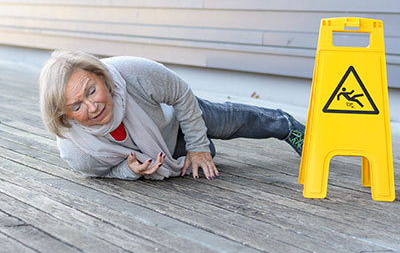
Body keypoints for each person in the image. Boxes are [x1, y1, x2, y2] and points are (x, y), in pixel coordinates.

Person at [39, 51, 305, 181]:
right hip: (164, 150)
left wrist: (198, 147)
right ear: (64, 115)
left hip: (174, 115)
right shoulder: (79, 153)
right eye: (76, 106)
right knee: (199, 155)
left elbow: (181, 93)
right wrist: (128, 170)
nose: (93, 106)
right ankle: (198, 146)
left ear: (101, 76)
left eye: (92, 91)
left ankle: (286, 126)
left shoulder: (132, 72)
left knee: (224, 122)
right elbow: (102, 174)